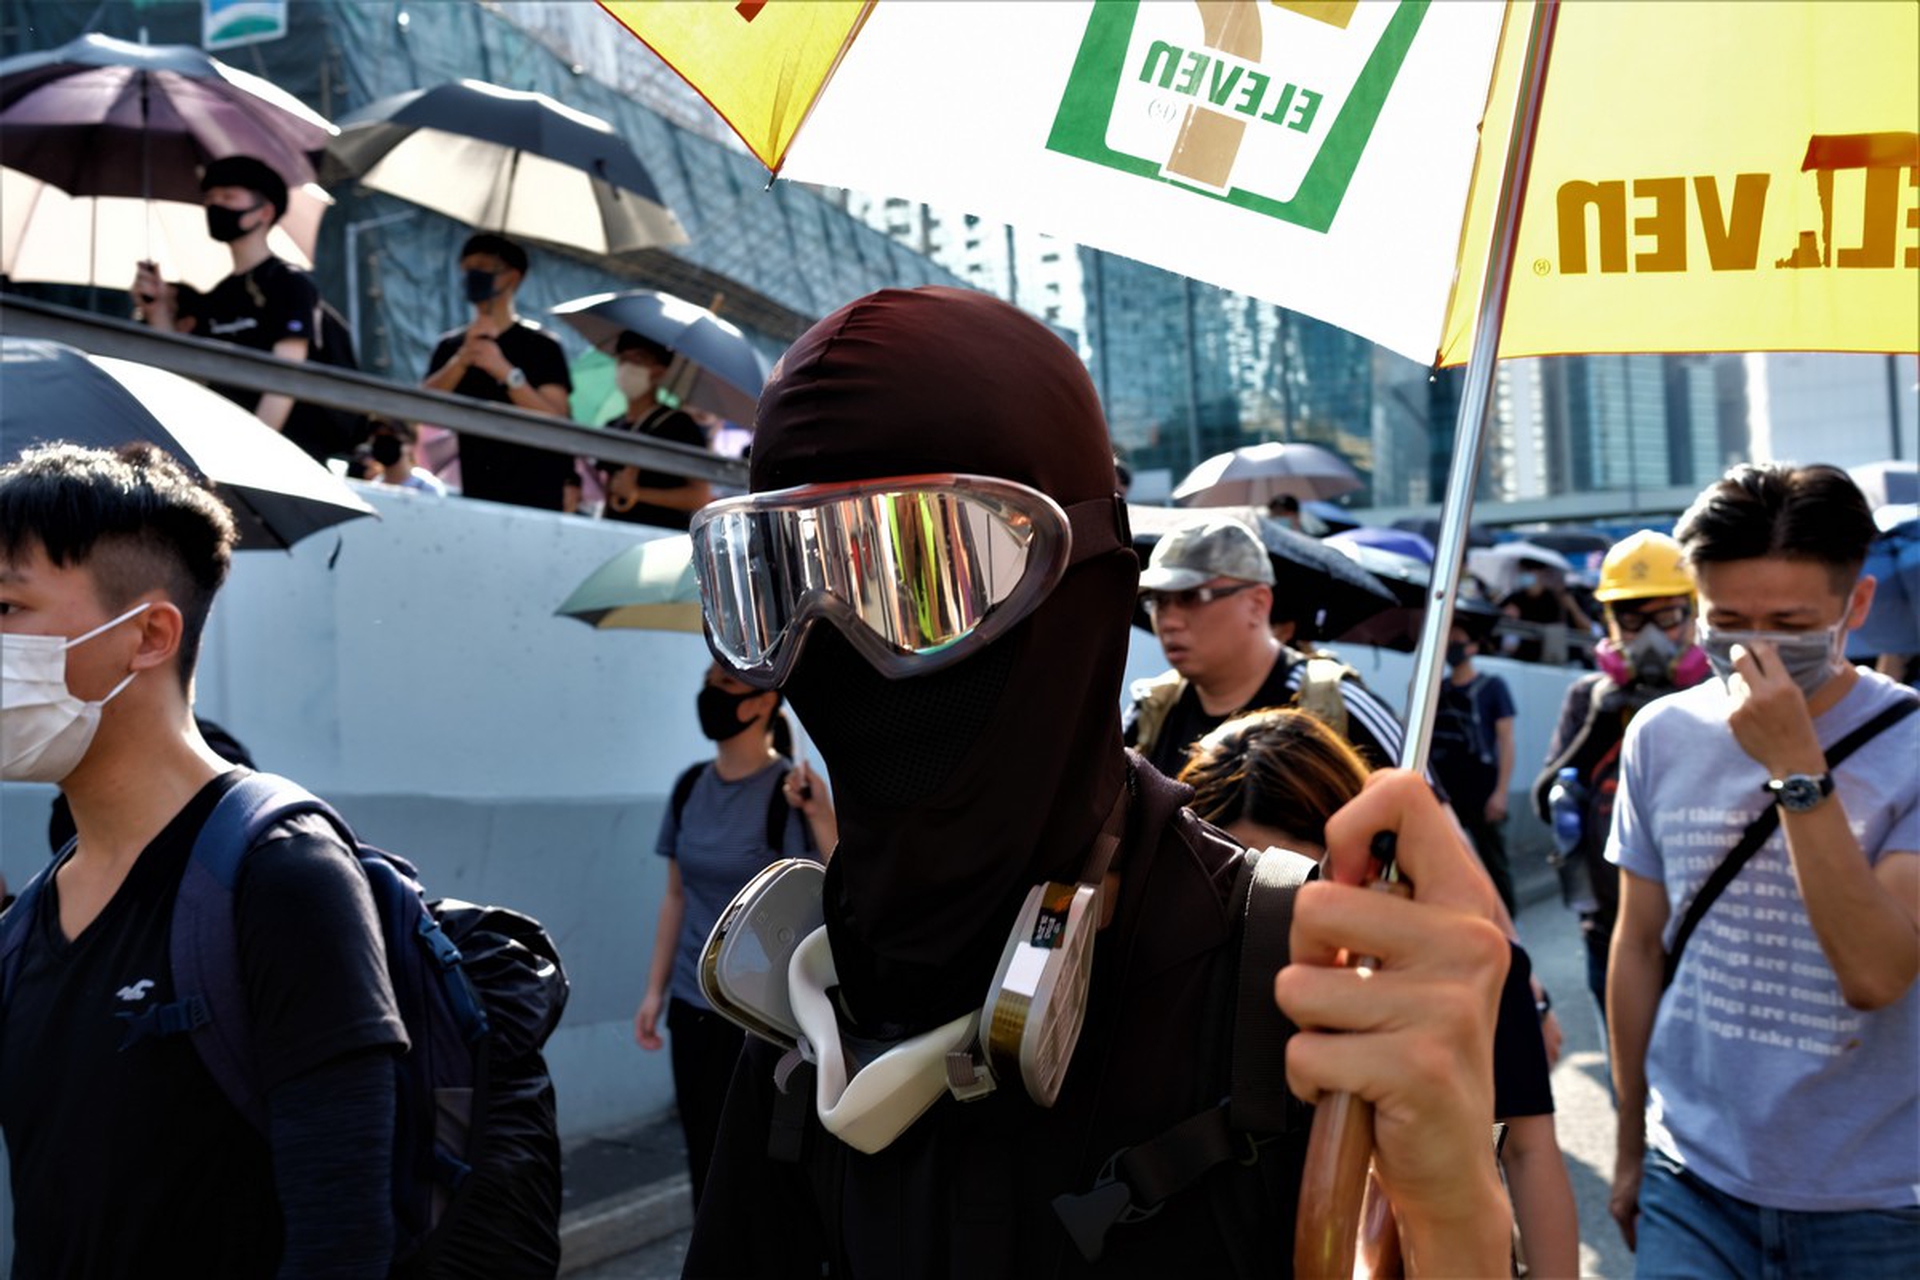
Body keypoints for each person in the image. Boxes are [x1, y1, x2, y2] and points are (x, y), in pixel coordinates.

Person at [680, 286, 1514, 1276]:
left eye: (922, 574)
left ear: (1093, 582)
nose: (844, 646)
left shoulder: (1297, 984)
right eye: (781, 578)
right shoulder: (810, 1009)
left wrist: (1455, 1205)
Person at [0, 443, 406, 1277]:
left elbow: (343, 1238)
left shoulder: (283, 876)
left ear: (148, 634)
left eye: (5, 606)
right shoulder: (31, 918)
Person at [1607, 464, 1919, 1275]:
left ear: (1855, 606)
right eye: (1728, 619)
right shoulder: (1660, 734)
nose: (1752, 648)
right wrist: (1628, 1141)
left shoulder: (1913, 748)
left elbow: (1877, 974)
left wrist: (1797, 773)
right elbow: (1638, 946)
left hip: (1880, 1202)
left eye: (1789, 622)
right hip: (1694, 1180)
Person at [1180, 708, 1580, 1279]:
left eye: (1291, 891)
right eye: (1240, 897)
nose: (1266, 930)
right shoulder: (1178, 977)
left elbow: (1529, 1151)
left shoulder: (1465, 971)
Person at [634, 662, 834, 1208]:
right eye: (705, 685)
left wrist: (820, 816)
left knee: (766, 1171)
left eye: (725, 685)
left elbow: (838, 888)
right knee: (705, 1158)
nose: (710, 696)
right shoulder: (689, 788)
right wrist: (654, 993)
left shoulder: (790, 792)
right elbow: (676, 896)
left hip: (761, 1020)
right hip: (690, 1004)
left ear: (764, 703)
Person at [1531, 531, 1707, 1028]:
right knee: (1627, 1066)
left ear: (1694, 613)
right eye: (1631, 619)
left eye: (1666, 616)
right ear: (1610, 622)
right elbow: (1547, 801)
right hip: (1607, 926)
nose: (1649, 634)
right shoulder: (1588, 697)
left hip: (1698, 924)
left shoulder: (1717, 693)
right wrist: (1597, 727)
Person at [1125, 514, 1409, 778]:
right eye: (1158, 601)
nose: (1169, 621)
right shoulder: (1151, 711)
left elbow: (1427, 815)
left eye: (1191, 596)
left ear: (1258, 603)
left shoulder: (1338, 706)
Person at [132, 155, 339, 461]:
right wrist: (158, 311)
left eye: (228, 197)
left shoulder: (290, 284)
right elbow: (185, 373)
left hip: (284, 457)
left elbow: (286, 378)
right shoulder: (217, 296)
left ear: (264, 212)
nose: (215, 206)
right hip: (220, 449)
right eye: (210, 198)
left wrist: (254, 452)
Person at [421, 233, 576, 511]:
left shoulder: (543, 346)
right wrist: (461, 360)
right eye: (467, 269)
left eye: (484, 267)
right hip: (477, 485)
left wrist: (507, 373)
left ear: (513, 277)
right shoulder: (451, 346)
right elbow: (421, 407)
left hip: (537, 486)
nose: (473, 275)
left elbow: (556, 417)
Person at [1430, 615, 1520, 915]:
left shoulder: (1493, 687)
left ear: (1473, 646)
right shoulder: (1437, 689)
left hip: (1481, 785)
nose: (1452, 649)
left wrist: (1501, 793)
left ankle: (1508, 922)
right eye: (1448, 642)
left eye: (1458, 642)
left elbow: (1506, 741)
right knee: (1447, 857)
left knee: (1493, 859)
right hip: (1446, 787)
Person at [597, 331, 712, 528]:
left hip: (660, 535)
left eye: (638, 359)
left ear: (659, 371)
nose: (627, 366)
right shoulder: (613, 425)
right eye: (623, 358)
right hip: (612, 530)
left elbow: (699, 496)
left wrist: (637, 494)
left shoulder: (679, 425)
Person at [1500, 557, 1593, 663]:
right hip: (1525, 658)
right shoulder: (1515, 598)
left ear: (1542, 573)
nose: (1524, 574)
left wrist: (1572, 607)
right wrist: (1507, 616)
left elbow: (1587, 628)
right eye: (1522, 571)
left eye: (1529, 570)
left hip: (1561, 659)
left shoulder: (1563, 597)